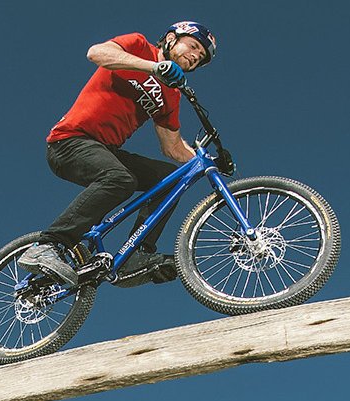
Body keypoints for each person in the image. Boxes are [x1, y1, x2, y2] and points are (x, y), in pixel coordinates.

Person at [17, 21, 218, 289]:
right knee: (120, 179)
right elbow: (97, 53)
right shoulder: (138, 46)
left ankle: (136, 255)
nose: (194, 56)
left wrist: (208, 163)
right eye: (193, 46)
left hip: (107, 151)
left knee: (170, 179)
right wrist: (153, 67)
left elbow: (172, 147)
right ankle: (47, 245)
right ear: (171, 38)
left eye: (200, 57)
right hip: (69, 142)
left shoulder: (171, 94)